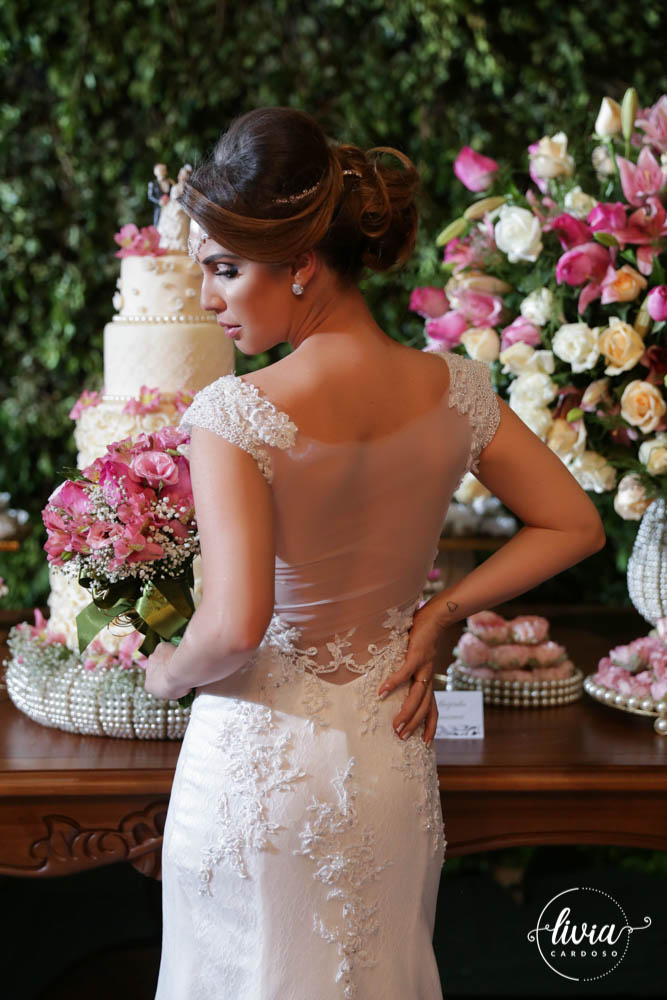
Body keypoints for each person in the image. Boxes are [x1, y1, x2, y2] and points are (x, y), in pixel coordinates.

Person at [144, 107, 605, 999]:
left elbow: (235, 627)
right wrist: (438, 615)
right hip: (389, 756)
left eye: (225, 269)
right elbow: (573, 524)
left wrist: (165, 674)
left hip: (257, 771)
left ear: (301, 262)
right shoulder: (459, 389)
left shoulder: (233, 413)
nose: (207, 298)